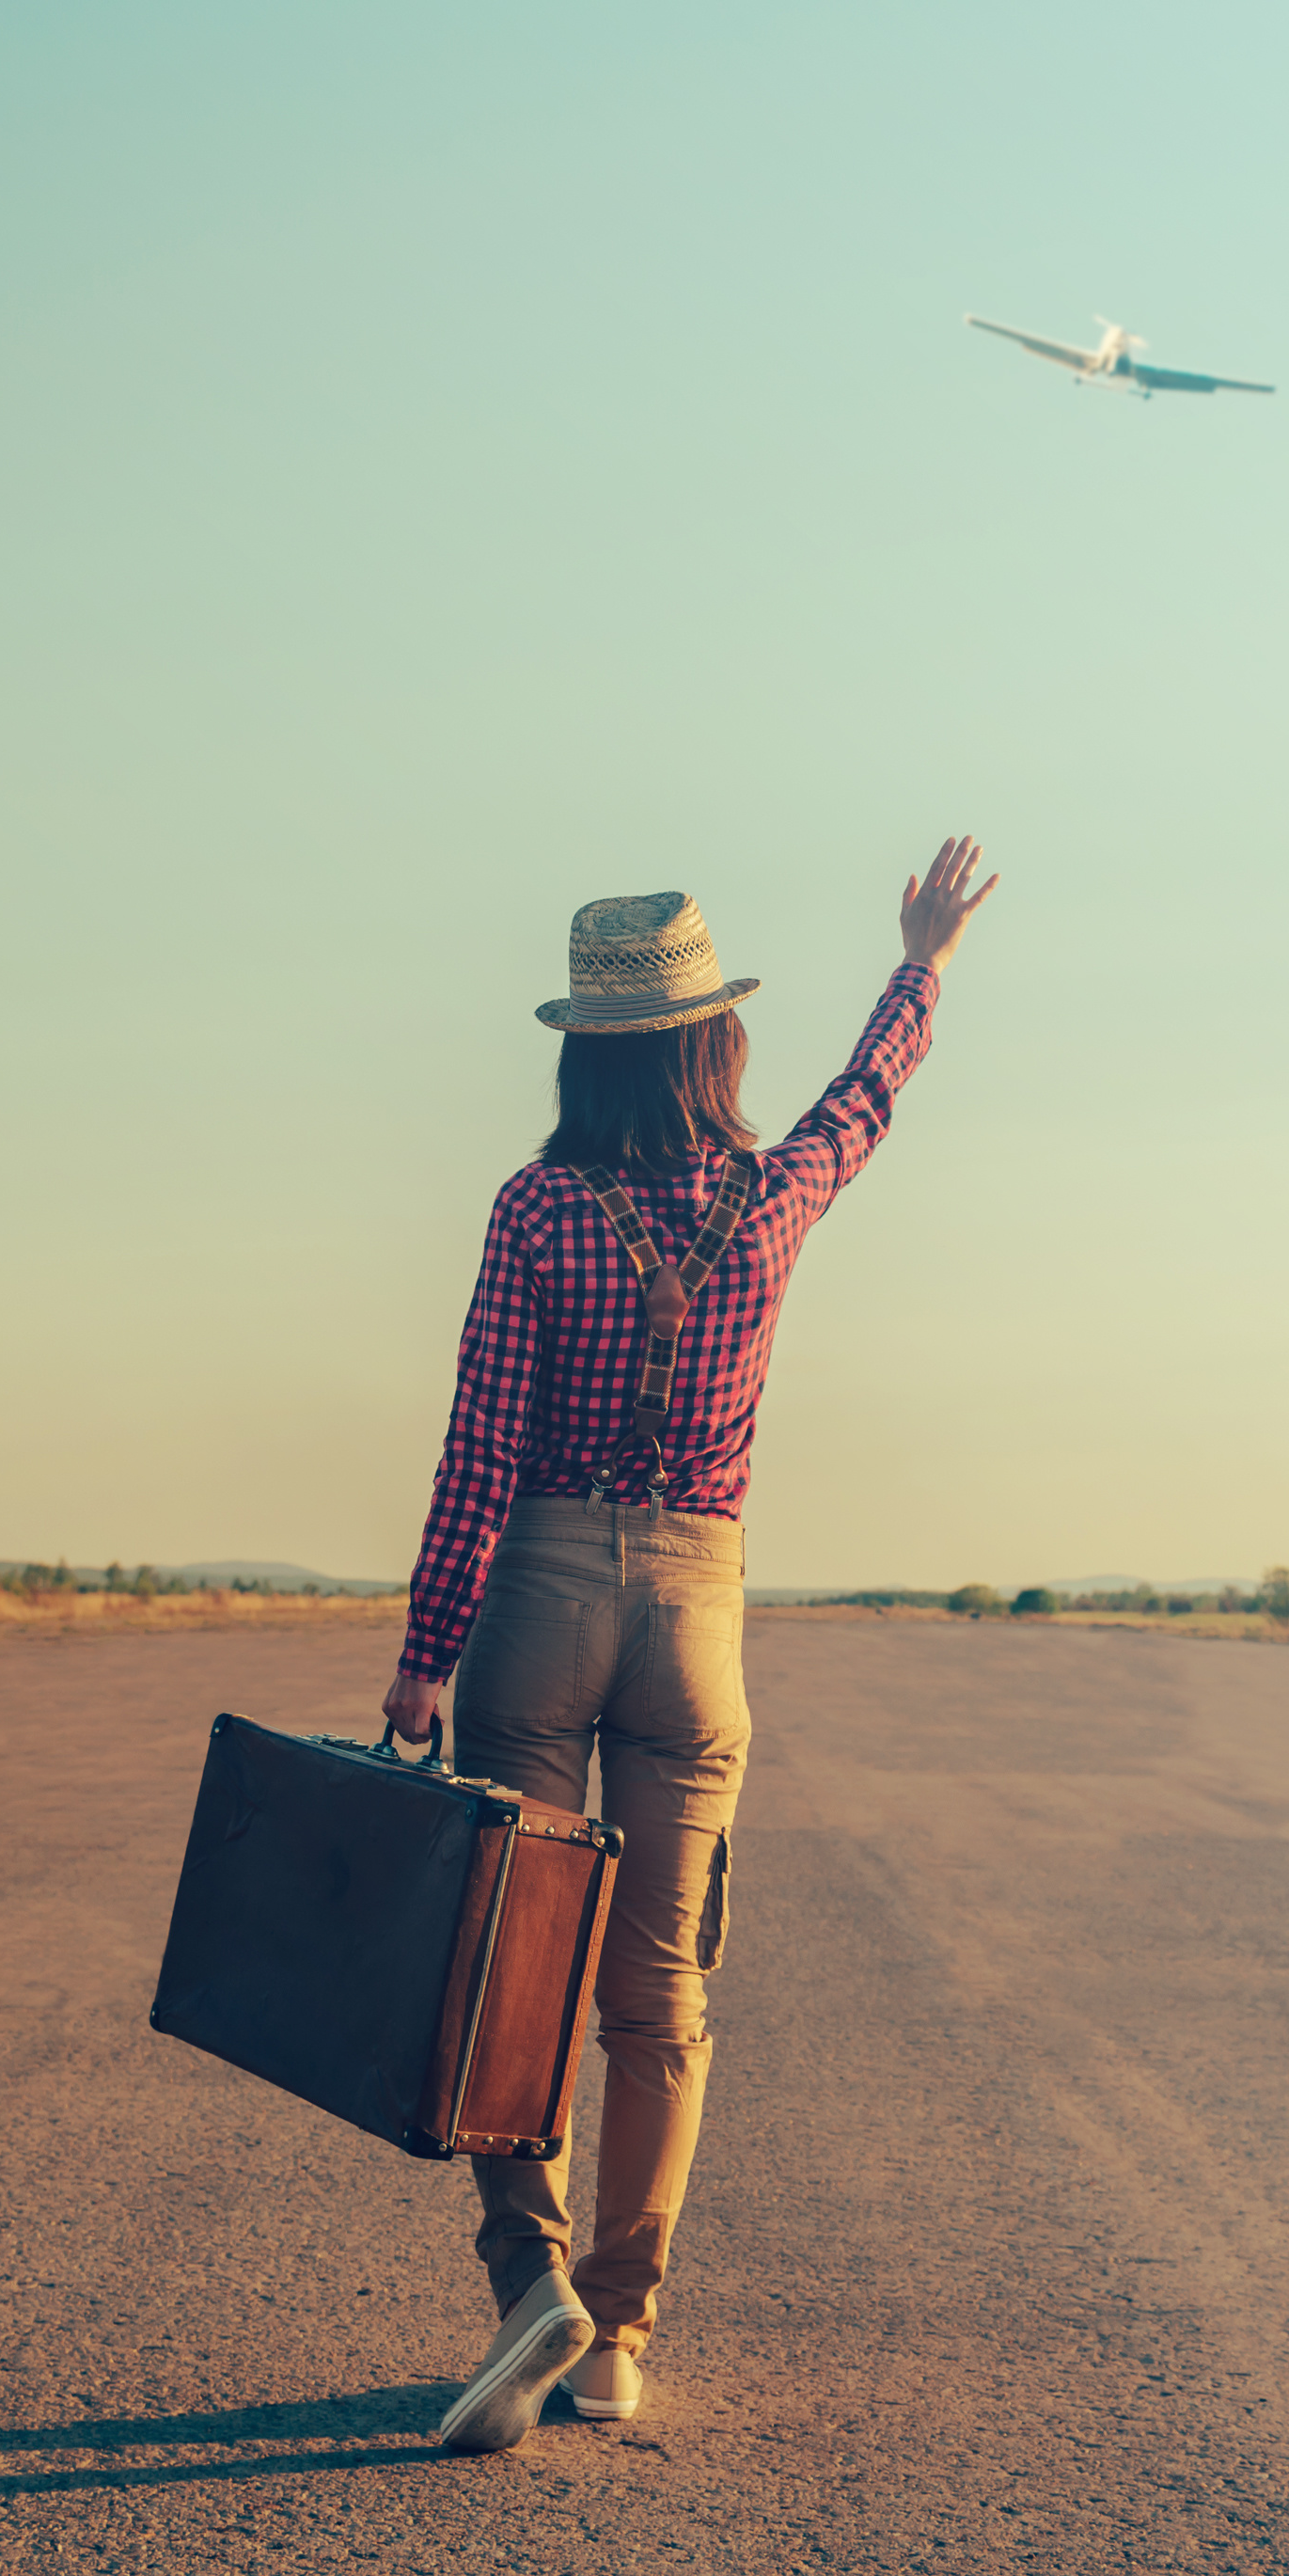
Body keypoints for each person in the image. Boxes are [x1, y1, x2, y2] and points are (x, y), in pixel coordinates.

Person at [389, 839, 998, 2454]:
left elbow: (478, 1447)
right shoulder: (768, 1195)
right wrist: (921, 959)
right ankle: (622, 2334)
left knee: (510, 1966)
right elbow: (864, 1103)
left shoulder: (536, 1207)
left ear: (583, 1050)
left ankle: (530, 2276)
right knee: (660, 1994)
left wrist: (422, 1650)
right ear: (714, 1039)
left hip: (537, 1596)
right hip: (699, 1613)